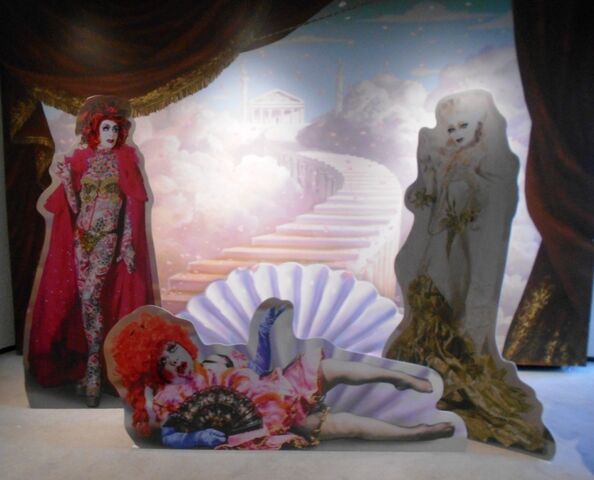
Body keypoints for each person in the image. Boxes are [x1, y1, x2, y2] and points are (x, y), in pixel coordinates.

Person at [109, 307, 455, 449]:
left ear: (181, 343)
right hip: (266, 427)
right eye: (164, 361)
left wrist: (263, 334)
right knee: (348, 425)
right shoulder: (170, 399)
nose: (174, 360)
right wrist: (196, 436)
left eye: (173, 349)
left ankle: (398, 378)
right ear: (154, 370)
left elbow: (256, 366)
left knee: (330, 368)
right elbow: (169, 436)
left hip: (281, 389)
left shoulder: (215, 359)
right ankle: (416, 433)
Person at [28, 95, 154, 407]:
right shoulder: (82, 160)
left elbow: (132, 206)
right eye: (106, 128)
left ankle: (95, 369)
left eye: (116, 129)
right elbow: (73, 207)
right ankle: (90, 364)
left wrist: (127, 243)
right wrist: (66, 180)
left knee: (90, 297)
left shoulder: (125, 160)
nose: (112, 134)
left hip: (106, 239)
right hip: (80, 239)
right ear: (95, 131)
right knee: (85, 301)